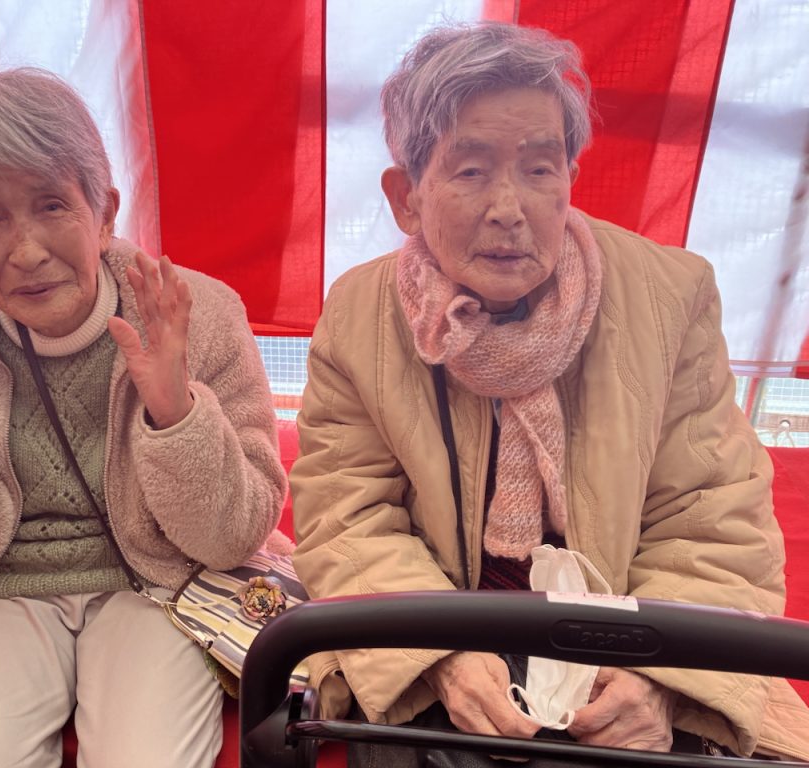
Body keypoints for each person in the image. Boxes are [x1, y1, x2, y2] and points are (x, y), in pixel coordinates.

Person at [289, 21, 809, 764]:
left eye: (539, 168)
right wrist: (440, 655)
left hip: (631, 634)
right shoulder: (358, 316)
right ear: (406, 198)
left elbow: (712, 515)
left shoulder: (670, 297)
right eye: (471, 170)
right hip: (442, 628)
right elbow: (346, 514)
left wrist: (659, 676)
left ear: (570, 177)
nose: (510, 207)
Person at [0, 67, 286, 768]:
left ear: (106, 211)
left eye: (52, 204)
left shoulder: (197, 312)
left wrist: (176, 414)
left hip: (158, 580)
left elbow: (233, 535)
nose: (26, 252)